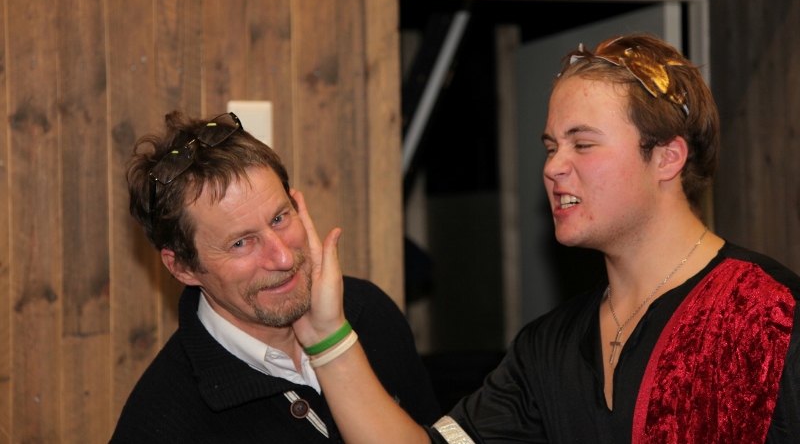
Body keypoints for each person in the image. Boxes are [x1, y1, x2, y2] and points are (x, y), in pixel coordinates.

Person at [291, 34, 800, 443]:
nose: (553, 167)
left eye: (583, 144)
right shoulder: (548, 347)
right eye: (552, 146)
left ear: (667, 157)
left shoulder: (768, 313)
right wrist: (326, 335)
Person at [110, 111, 440, 443]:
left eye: (280, 218)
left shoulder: (370, 313)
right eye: (241, 243)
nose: (283, 258)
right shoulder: (160, 423)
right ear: (183, 267)